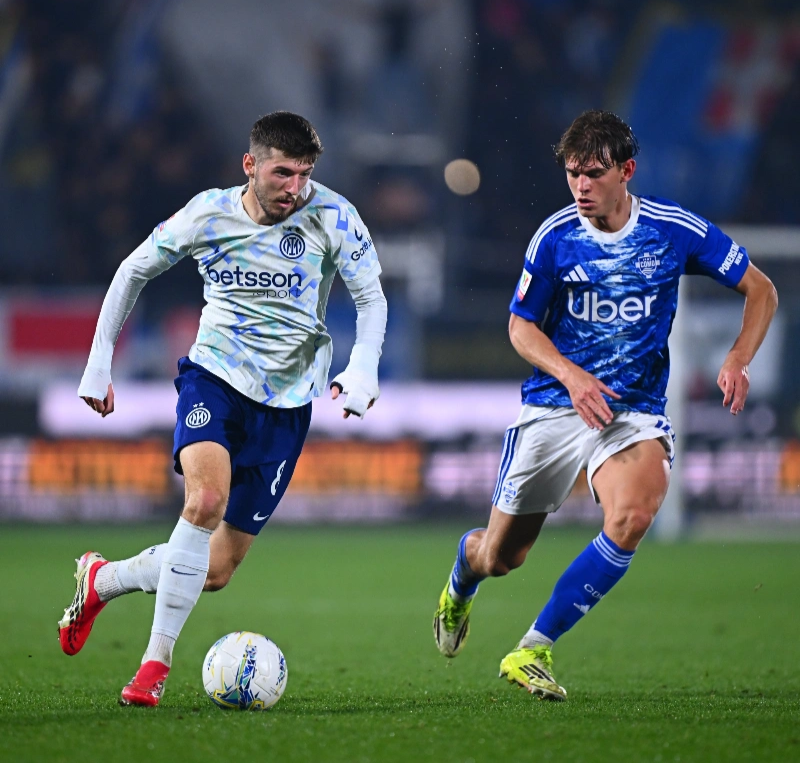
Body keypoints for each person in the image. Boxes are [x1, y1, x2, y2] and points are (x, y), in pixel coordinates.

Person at [432, 110, 778, 700]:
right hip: (555, 406)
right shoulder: (555, 238)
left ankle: (532, 648)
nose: (581, 186)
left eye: (593, 173)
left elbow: (761, 289)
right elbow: (520, 327)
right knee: (502, 557)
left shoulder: (672, 230)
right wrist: (572, 378)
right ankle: (463, 578)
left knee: (633, 515)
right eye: (572, 174)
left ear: (627, 171)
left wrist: (738, 358)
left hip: (632, 411)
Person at [58, 111, 388, 707]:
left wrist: (362, 369)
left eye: (305, 174)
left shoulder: (333, 215)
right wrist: (99, 363)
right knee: (205, 500)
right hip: (215, 377)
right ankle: (154, 665)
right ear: (250, 165)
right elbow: (133, 270)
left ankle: (103, 580)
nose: (295, 188)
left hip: (287, 402)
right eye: (282, 173)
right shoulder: (207, 213)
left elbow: (371, 298)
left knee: (214, 571)